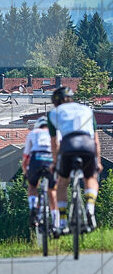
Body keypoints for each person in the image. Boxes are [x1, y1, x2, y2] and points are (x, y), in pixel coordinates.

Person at [47, 87, 102, 234]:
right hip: (87, 145)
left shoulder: (53, 113)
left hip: (68, 146)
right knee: (90, 177)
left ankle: (63, 222)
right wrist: (98, 161)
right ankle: (90, 207)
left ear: (56, 102)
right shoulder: (87, 110)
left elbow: (54, 143)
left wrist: (55, 163)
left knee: (62, 182)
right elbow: (96, 140)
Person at [22, 117, 59, 231]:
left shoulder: (33, 133)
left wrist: (25, 173)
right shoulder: (55, 133)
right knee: (52, 190)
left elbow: (26, 157)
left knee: (32, 186)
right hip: (50, 159)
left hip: (36, 159)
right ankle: (56, 222)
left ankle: (33, 207)